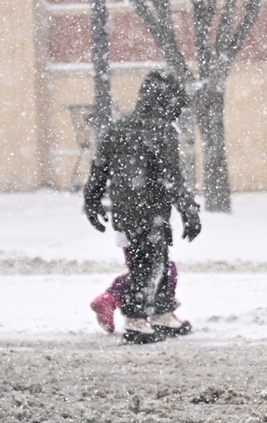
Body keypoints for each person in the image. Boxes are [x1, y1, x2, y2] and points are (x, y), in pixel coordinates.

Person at [84, 70, 202, 343]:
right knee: (149, 266)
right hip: (151, 210)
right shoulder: (161, 132)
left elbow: (99, 169)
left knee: (154, 262)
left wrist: (92, 199)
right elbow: (173, 178)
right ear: (166, 101)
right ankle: (137, 320)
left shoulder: (119, 128)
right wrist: (189, 211)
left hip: (125, 211)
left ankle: (161, 312)